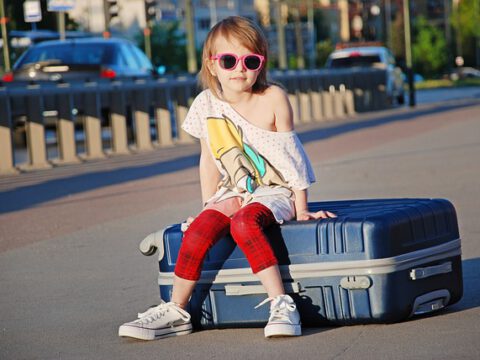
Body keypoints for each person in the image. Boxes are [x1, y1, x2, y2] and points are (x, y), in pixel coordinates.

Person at [118, 16, 335, 341]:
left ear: (261, 64)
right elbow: (208, 160)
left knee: (244, 223)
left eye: (250, 60)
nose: (240, 69)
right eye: (229, 60)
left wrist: (301, 209)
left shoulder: (273, 98)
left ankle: (281, 303)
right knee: (200, 229)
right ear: (212, 64)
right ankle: (177, 310)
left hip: (275, 191)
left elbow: (294, 158)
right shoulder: (206, 104)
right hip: (232, 188)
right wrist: (208, 205)